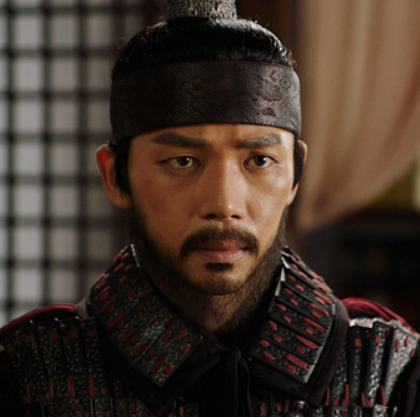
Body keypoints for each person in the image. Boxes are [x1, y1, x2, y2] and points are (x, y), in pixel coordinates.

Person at [1, 0, 420, 416]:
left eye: (259, 161)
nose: (224, 204)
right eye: (183, 161)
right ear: (115, 176)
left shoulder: (390, 373)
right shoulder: (29, 373)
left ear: (295, 174)